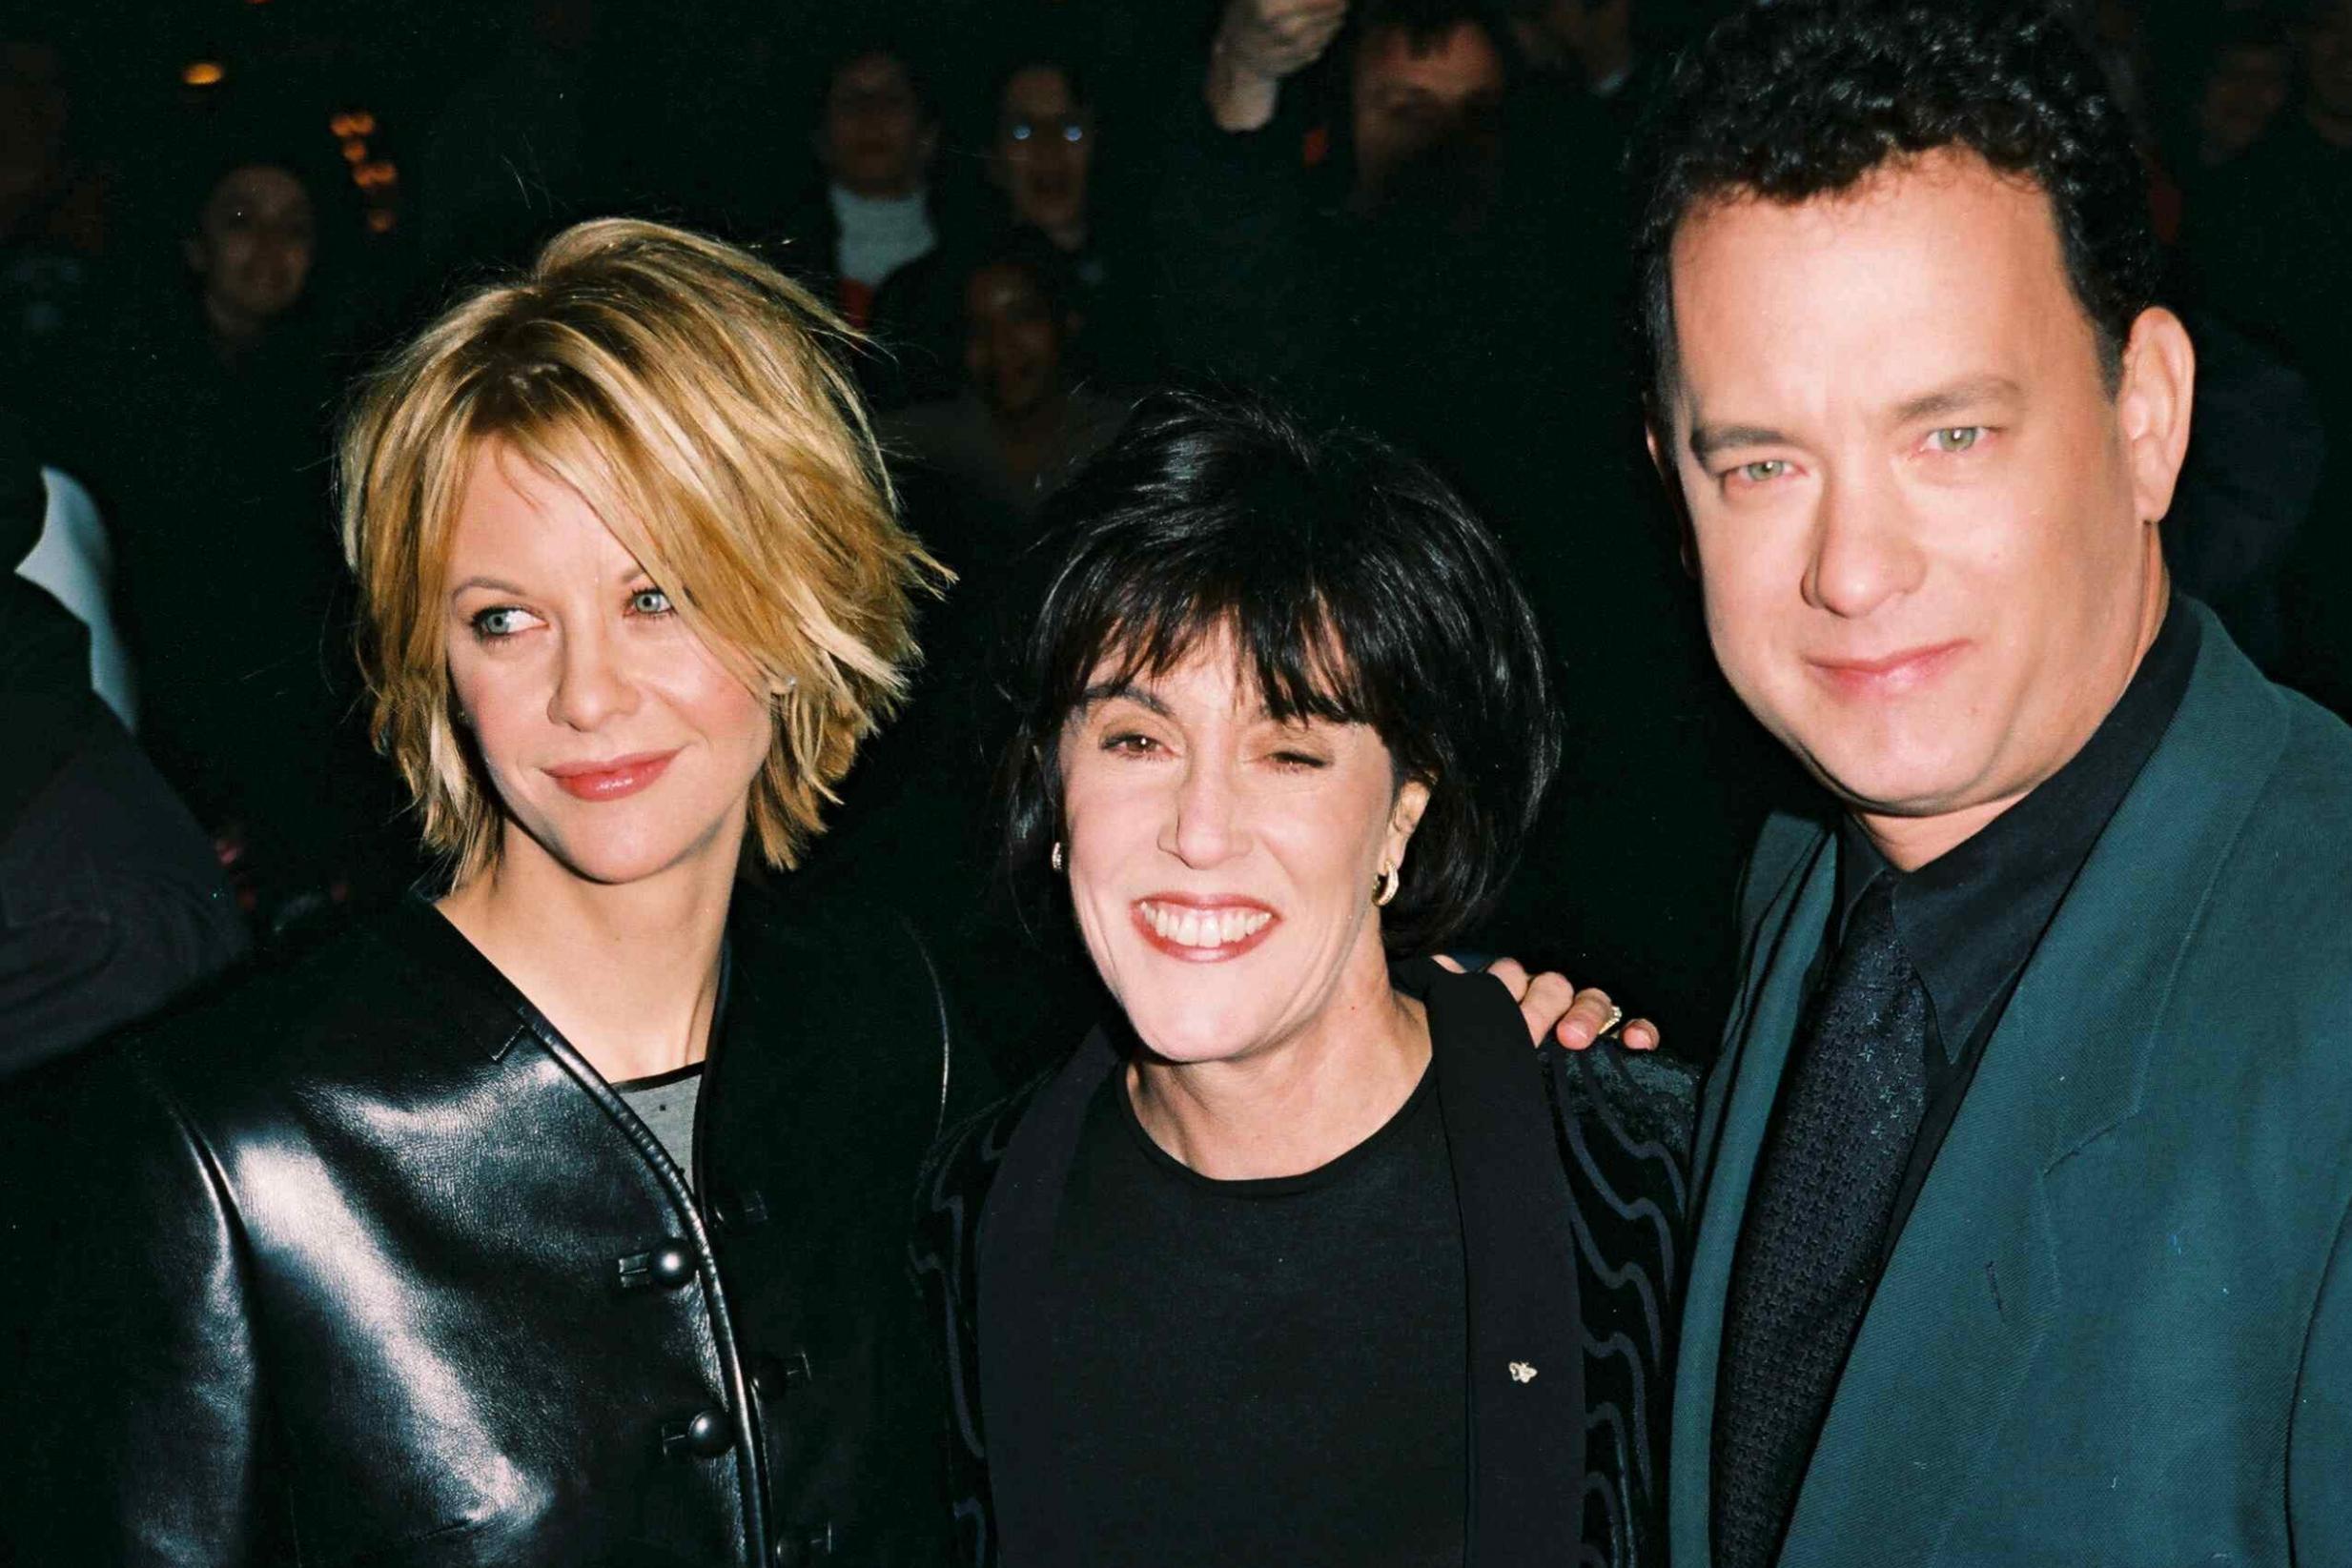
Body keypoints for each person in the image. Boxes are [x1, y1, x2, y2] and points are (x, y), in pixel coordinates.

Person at [1, 219, 986, 1566]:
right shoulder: (232, 1156)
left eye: (658, 596)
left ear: (799, 589)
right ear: (434, 661)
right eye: (503, 619)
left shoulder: (894, 1020)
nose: (586, 695)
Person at [1628, 3, 2352, 1563]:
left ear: (2145, 418)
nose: (1849, 567)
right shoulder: (1798, 894)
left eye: (1946, 434)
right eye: (1760, 463)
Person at [915, 390, 1690, 1568]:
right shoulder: (960, 1228)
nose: (1202, 829)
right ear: (1053, 795)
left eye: (1289, 752)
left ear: (1399, 822)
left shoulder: (1646, 1187)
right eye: (1137, 740)